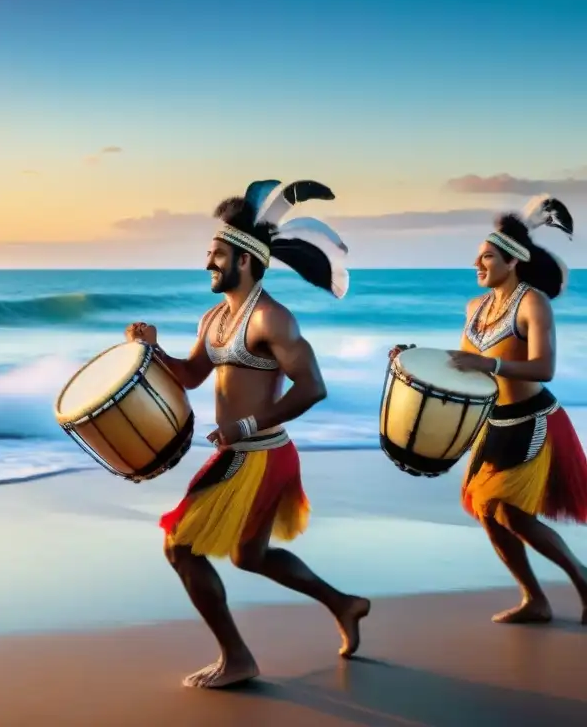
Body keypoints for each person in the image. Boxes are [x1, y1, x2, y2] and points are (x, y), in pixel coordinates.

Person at [126, 179, 370, 690]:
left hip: (260, 454)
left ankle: (237, 657)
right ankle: (345, 604)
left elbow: (313, 387)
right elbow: (192, 376)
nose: (208, 264)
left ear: (245, 260)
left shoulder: (273, 319)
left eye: (217, 255)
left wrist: (249, 424)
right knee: (249, 556)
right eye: (209, 254)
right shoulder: (213, 318)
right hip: (240, 450)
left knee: (179, 546)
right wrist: (151, 349)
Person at [390, 195, 587, 625]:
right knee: (488, 513)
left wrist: (492, 365)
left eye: (486, 258)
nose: (477, 266)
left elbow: (545, 367)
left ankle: (584, 581)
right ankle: (534, 599)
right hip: (492, 422)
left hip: (532, 420)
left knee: (511, 511)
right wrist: (414, 356)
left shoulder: (533, 302)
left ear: (512, 261)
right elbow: (466, 361)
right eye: (477, 258)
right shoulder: (475, 308)